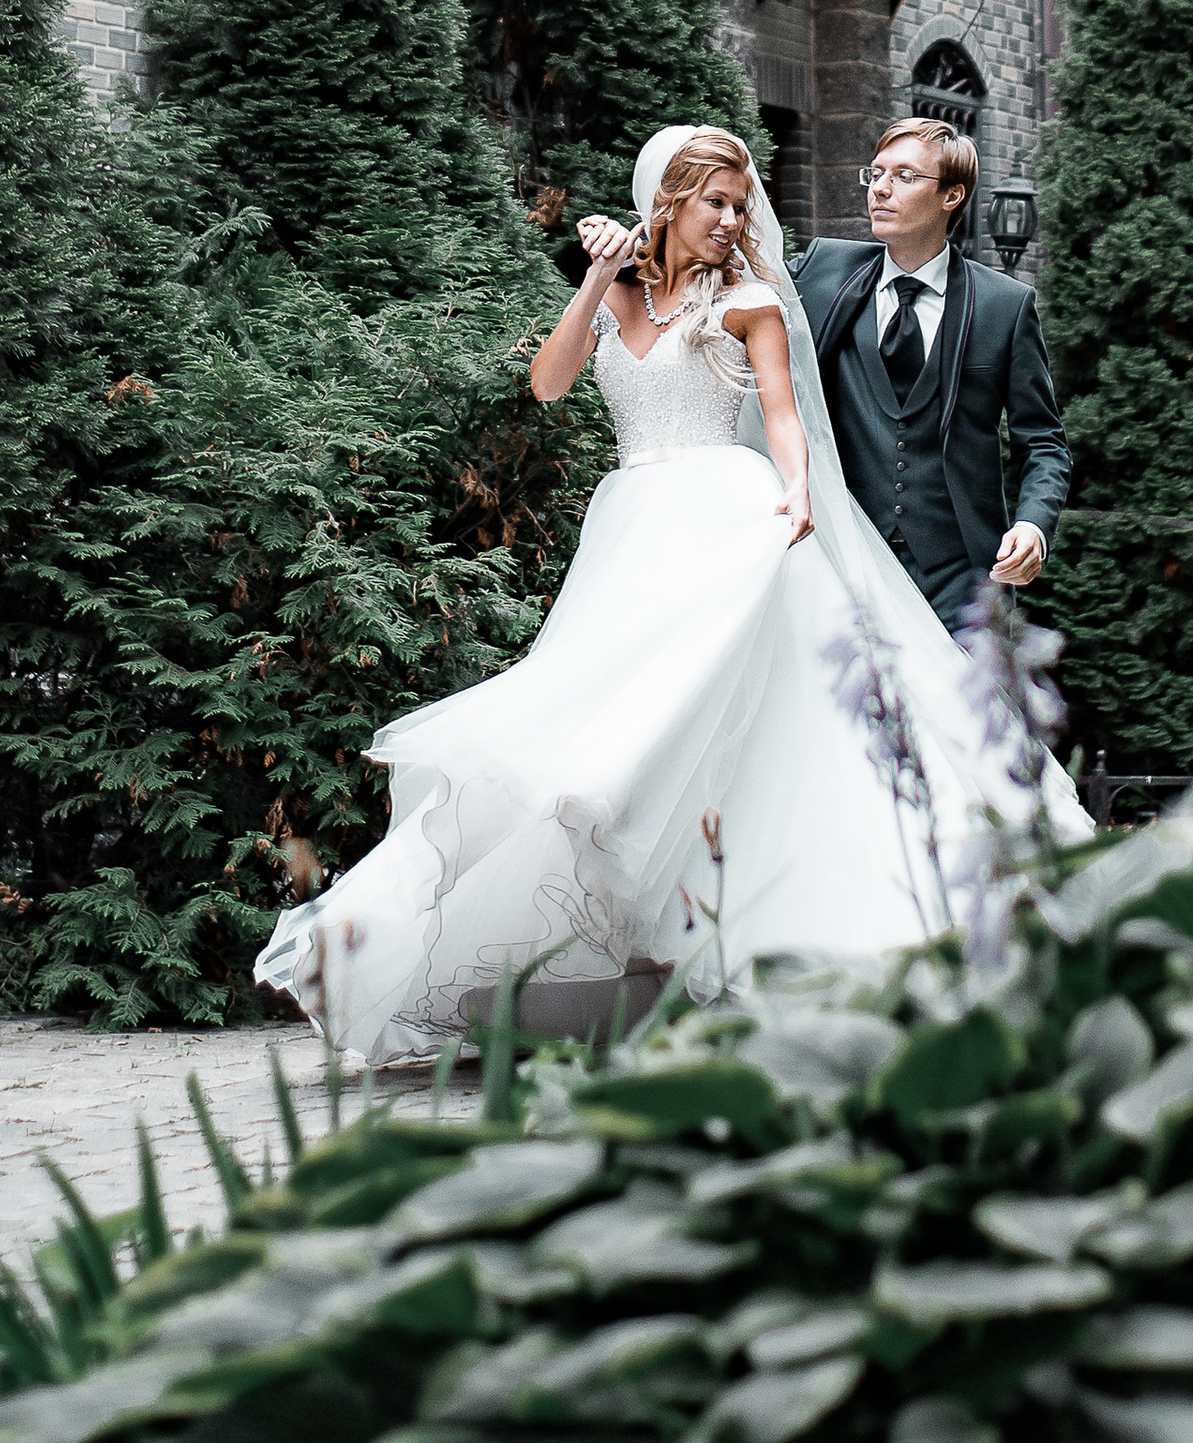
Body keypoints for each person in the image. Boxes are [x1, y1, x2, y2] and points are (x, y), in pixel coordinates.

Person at [254, 121, 1083, 1069]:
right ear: (669, 202)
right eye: (715, 203)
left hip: (825, 539)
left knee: (848, 729)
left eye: (742, 204)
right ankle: (646, 933)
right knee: (639, 718)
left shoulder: (845, 300)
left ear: (952, 198)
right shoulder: (764, 276)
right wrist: (598, 270)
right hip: (636, 537)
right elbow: (550, 383)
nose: (735, 219)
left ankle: (944, 908)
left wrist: (804, 492)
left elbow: (788, 413)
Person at [792, 118, 1072, 636]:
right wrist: (628, 251)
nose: (880, 188)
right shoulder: (822, 270)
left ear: (952, 195)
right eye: (875, 173)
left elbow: (1045, 443)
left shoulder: (1004, 307)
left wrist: (1033, 525)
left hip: (961, 579)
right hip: (843, 562)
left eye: (903, 176)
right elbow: (725, 266)